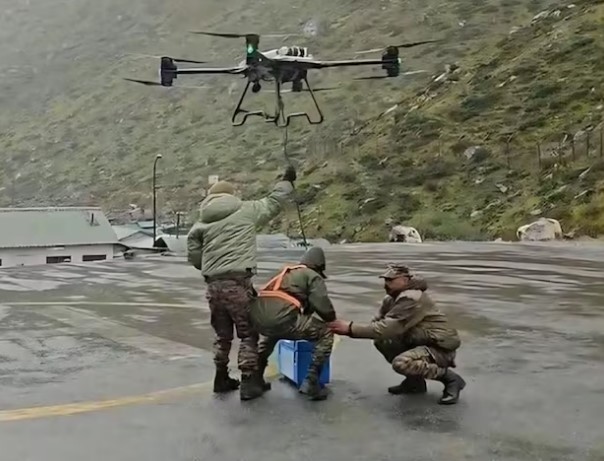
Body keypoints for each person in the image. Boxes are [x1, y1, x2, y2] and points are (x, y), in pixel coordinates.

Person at [186, 166, 296, 401]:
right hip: (238, 283)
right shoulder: (246, 210)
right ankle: (249, 382)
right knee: (248, 334)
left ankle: (221, 378)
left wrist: (213, 268)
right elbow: (274, 202)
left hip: (213, 287)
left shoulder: (200, 223)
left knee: (223, 335)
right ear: (231, 195)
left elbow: (195, 257)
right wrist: (286, 181)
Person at [328, 263, 466, 405]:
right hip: (417, 341)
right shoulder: (391, 299)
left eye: (390, 280)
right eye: (385, 280)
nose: (386, 284)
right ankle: (414, 383)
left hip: (438, 347)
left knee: (401, 363)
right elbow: (378, 323)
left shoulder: (412, 297)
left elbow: (389, 327)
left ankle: (451, 379)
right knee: (383, 342)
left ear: (405, 280)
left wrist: (350, 328)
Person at [250, 247, 336, 401]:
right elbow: (322, 305)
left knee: (271, 335)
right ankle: (311, 382)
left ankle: (253, 381)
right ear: (319, 266)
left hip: (259, 319)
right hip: (283, 318)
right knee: (326, 333)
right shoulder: (313, 275)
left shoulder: (284, 273)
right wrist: (332, 319)